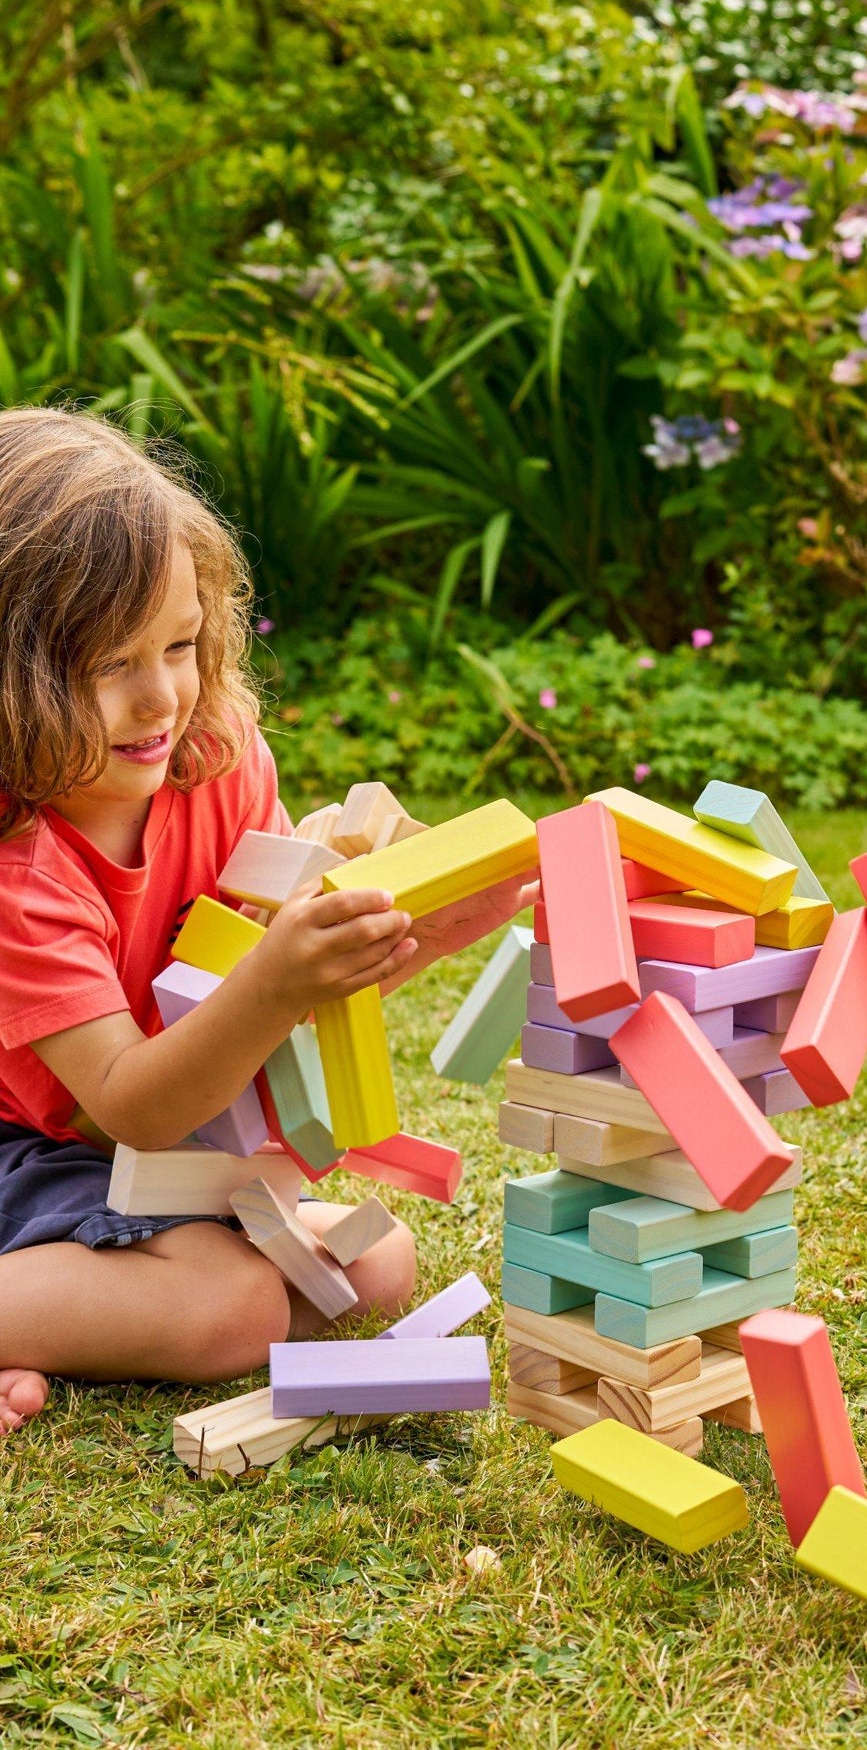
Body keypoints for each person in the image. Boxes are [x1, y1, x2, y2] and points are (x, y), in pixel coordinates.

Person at [0, 408, 533, 1432]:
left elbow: (263, 995)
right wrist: (280, 979)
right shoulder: (22, 868)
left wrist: (414, 930)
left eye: (182, 644)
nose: (162, 696)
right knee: (233, 1307)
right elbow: (131, 1104)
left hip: (154, 1143)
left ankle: (80, 1303)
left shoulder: (219, 756)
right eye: (111, 665)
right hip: (39, 1141)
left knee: (375, 1263)